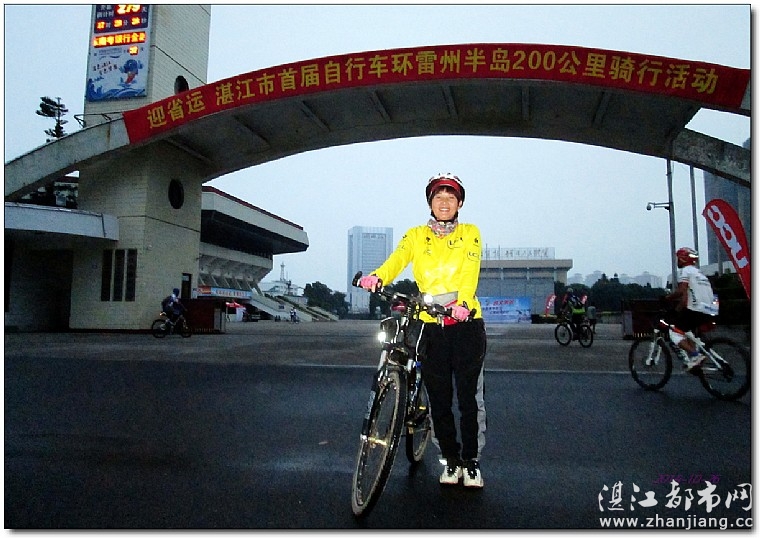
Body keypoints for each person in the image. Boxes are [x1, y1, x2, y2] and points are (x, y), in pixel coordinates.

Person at [358, 172, 487, 488]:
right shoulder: (416, 235)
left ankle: (471, 461)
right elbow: (397, 259)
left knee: (469, 399)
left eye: (451, 197)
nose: (444, 202)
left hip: (466, 324)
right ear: (430, 202)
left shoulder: (470, 233)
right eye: (438, 197)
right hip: (431, 327)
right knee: (439, 400)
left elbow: (469, 271)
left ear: (459, 204)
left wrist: (463, 303)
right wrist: (378, 276)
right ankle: (451, 460)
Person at [662, 247, 718, 372]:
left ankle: (695, 355)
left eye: (678, 258)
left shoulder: (685, 271)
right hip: (710, 309)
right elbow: (686, 297)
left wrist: (667, 298)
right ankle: (695, 360)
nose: (677, 261)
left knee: (674, 333)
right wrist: (678, 310)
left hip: (696, 309)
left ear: (682, 259)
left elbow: (681, 291)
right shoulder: (700, 274)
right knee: (688, 332)